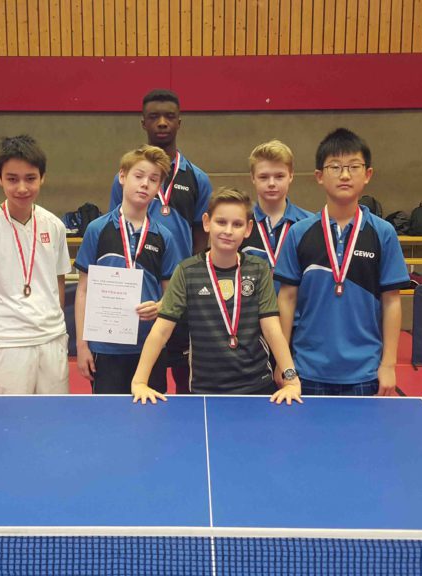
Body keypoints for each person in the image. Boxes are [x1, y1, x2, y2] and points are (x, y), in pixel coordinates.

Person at [130, 187, 302, 405]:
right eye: (221, 222)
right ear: (206, 223)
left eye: (237, 224)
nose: (228, 231)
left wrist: (291, 379)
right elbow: (161, 330)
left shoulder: (259, 269)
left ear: (248, 229)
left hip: (257, 386)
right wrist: (140, 381)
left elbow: (272, 329)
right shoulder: (186, 271)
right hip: (204, 389)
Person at [274, 128, 409, 396]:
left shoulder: (383, 233)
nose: (345, 175)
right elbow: (287, 298)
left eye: (353, 166)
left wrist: (388, 364)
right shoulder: (299, 233)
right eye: (335, 167)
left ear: (367, 174)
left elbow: (392, 301)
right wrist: (284, 363)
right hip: (307, 370)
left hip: (365, 372)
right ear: (319, 176)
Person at [109, 89, 212, 393]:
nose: (162, 122)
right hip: (137, 293)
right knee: (138, 371)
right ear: (143, 123)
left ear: (180, 122)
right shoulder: (125, 179)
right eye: (154, 117)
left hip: (180, 290)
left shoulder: (197, 178)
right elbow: (116, 228)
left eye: (169, 116)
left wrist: (187, 274)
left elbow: (202, 232)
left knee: (184, 373)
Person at [0, 135, 73, 395]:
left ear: (42, 178)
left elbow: (58, 281)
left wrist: (53, 326)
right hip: (8, 343)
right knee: (13, 419)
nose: (22, 188)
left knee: (54, 416)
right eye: (12, 179)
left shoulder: (54, 226)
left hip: (52, 339)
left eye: (30, 178)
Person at [74, 145, 182, 394]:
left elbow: (172, 295)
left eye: (153, 180)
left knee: (151, 413)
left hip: (149, 346)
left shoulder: (164, 236)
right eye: (138, 176)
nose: (145, 184)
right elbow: (83, 291)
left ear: (159, 187)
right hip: (105, 347)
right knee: (108, 415)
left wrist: (160, 306)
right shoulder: (97, 229)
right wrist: (82, 345)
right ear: (122, 176)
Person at [239, 139, 315, 289]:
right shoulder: (239, 222)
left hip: (296, 304)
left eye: (279, 176)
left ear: (291, 176)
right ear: (252, 177)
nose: (272, 183)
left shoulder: (310, 224)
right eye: (263, 177)